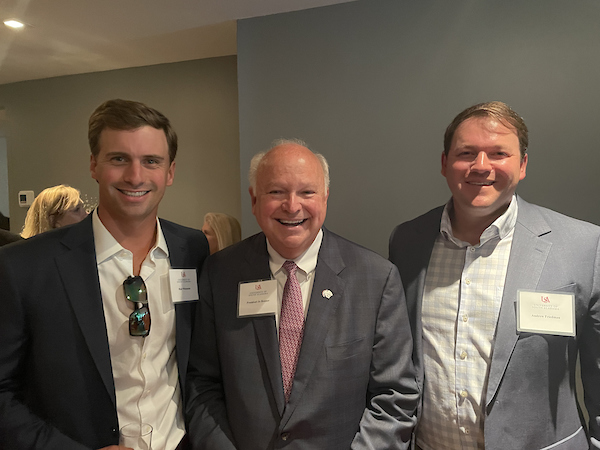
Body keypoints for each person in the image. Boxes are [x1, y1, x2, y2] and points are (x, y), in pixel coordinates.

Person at [389, 101, 600, 450]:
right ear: (445, 164)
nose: (481, 166)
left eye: (498, 153)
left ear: (522, 165)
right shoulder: (407, 242)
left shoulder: (582, 246)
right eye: (466, 153)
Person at [0, 99, 209, 449]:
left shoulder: (193, 249)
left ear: (170, 172)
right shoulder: (25, 267)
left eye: (151, 161)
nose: (135, 176)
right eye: (119, 159)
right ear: (94, 165)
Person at [186, 139, 419, 449]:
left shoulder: (376, 278)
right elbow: (202, 384)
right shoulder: (220, 274)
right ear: (254, 200)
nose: (292, 206)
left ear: (324, 198)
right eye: (276, 192)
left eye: (307, 192)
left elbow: (394, 397)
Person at [21, 184, 88, 237]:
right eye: (77, 210)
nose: (87, 214)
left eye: (83, 208)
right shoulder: (37, 253)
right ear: (53, 220)